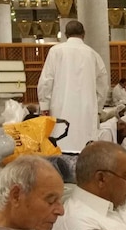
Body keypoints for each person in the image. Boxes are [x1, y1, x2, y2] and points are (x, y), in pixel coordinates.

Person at [37, 20, 108, 152]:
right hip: (86, 110)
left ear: (65, 34)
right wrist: (97, 107)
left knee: (60, 144)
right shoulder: (92, 54)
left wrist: (44, 105)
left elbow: (46, 80)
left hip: (60, 107)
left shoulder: (55, 51)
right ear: (84, 34)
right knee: (85, 147)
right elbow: (103, 84)